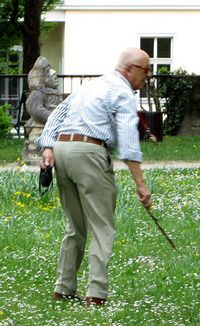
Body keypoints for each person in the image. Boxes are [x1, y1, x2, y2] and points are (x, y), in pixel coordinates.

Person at [35, 47, 153, 306]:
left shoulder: (90, 86)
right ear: (130, 69)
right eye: (146, 71)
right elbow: (129, 140)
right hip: (90, 152)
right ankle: (96, 294)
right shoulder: (122, 91)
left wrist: (48, 146)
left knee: (75, 226)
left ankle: (63, 288)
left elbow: (56, 115)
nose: (147, 78)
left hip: (63, 151)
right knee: (102, 227)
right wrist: (141, 185)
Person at [23, 56, 63, 164]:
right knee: (36, 139)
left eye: (56, 76)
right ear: (43, 78)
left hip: (54, 124)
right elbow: (36, 109)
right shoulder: (37, 93)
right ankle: (34, 154)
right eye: (52, 76)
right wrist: (52, 116)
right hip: (39, 124)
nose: (56, 78)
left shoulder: (56, 93)